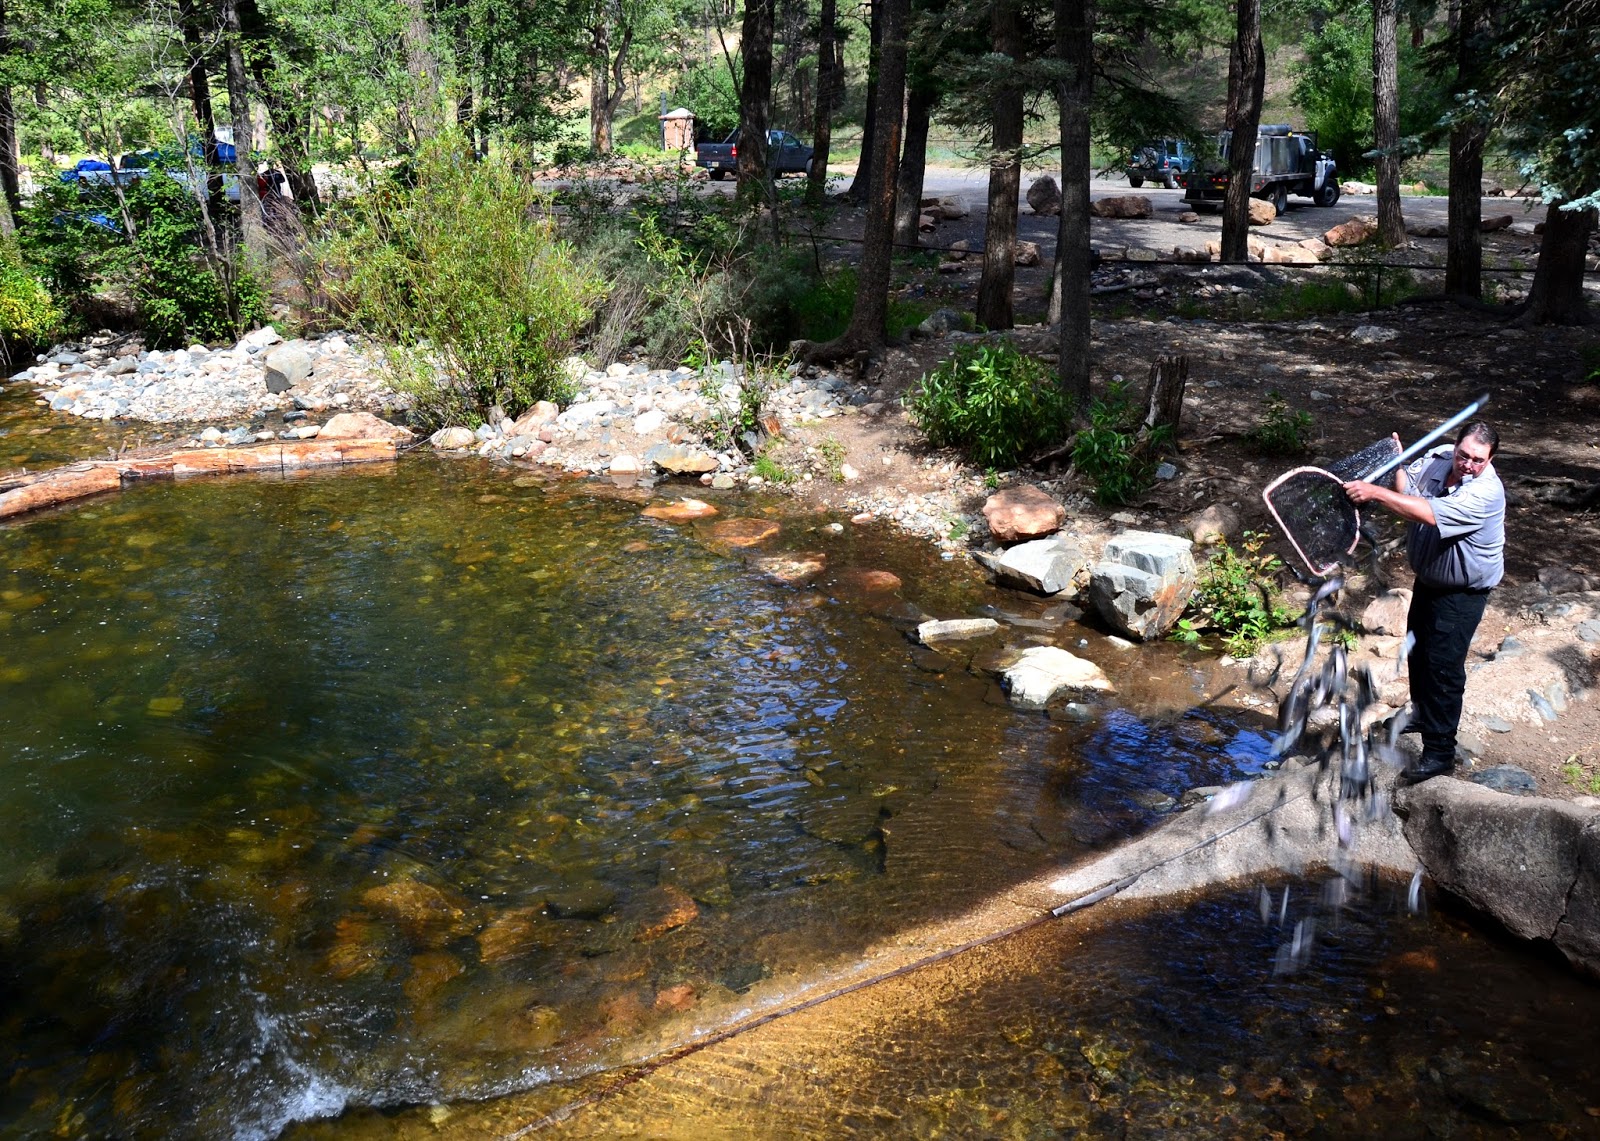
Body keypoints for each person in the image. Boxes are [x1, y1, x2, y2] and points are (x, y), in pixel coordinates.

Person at [1343, 421, 1505, 783]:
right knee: (1418, 652)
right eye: (1463, 455)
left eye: (1478, 460)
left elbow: (1426, 514)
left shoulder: (1485, 492)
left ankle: (1439, 753)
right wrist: (1396, 463)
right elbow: (1408, 491)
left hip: (1462, 593)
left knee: (1443, 669)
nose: (1467, 464)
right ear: (1455, 447)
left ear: (1490, 459)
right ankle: (1421, 714)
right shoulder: (1438, 459)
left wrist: (1374, 492)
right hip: (1430, 580)